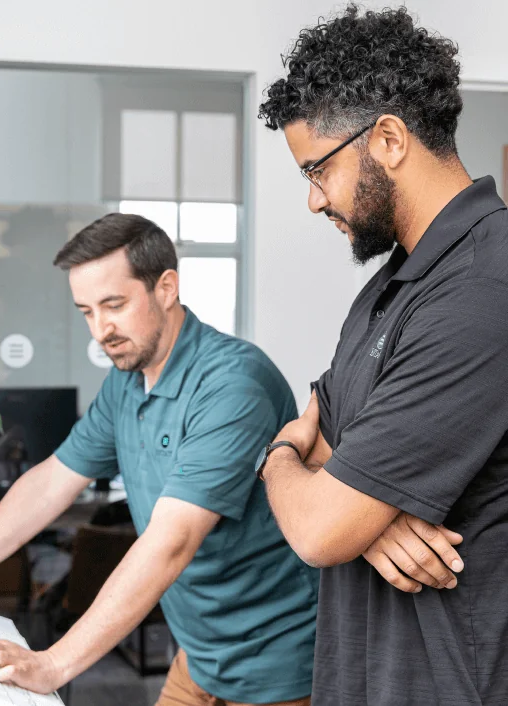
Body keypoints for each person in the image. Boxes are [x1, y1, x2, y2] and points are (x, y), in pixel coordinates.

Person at [0, 213, 318, 706]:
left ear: (167, 287)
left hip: (278, 663)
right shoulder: (127, 382)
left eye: (114, 305)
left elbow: (172, 541)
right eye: (86, 311)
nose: (100, 329)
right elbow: (50, 483)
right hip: (199, 657)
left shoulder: (231, 385)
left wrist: (54, 662)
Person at [256, 5, 508, 705]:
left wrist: (280, 457)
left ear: (389, 138)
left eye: (318, 170)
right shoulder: (388, 289)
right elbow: (330, 444)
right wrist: (363, 517)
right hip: (361, 673)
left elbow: (315, 520)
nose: (312, 201)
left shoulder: (487, 285)